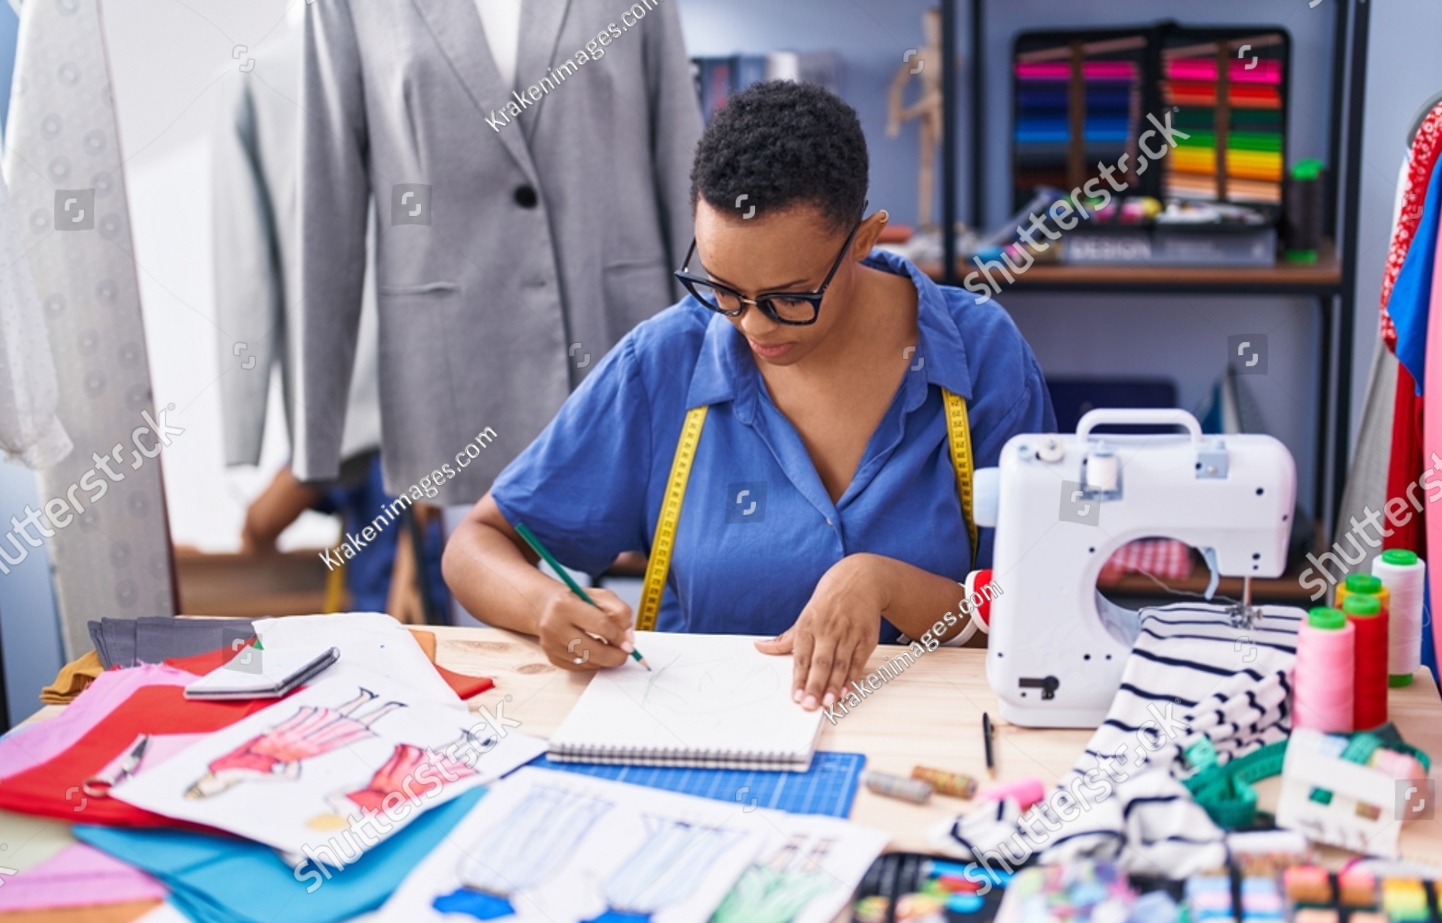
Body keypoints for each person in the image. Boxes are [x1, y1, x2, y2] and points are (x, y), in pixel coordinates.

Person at [444, 81, 1055, 712]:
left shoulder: (981, 358)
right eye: (724, 288)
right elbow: (477, 543)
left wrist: (887, 584)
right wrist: (547, 605)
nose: (753, 326)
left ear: (867, 238)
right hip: (703, 740)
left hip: (926, 737)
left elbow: (1038, 605)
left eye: (791, 297)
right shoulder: (664, 362)